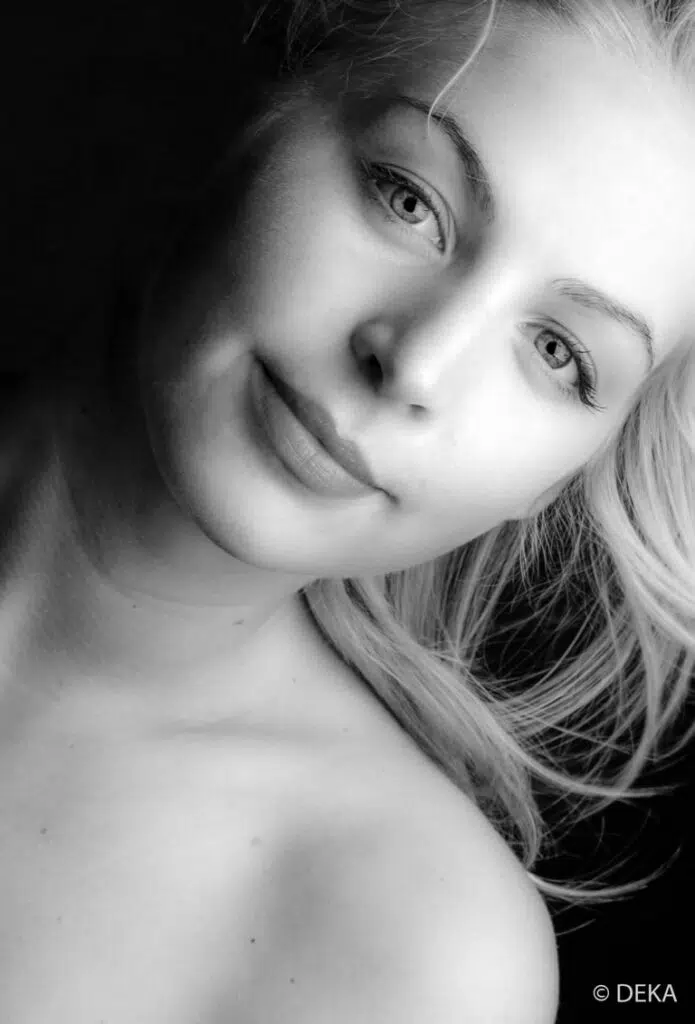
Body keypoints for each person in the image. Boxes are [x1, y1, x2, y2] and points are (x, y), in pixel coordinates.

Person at [1, 0, 694, 1019]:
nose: (415, 363)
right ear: (260, 101)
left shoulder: (416, 960)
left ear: (554, 480)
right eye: (409, 199)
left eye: (559, 354)